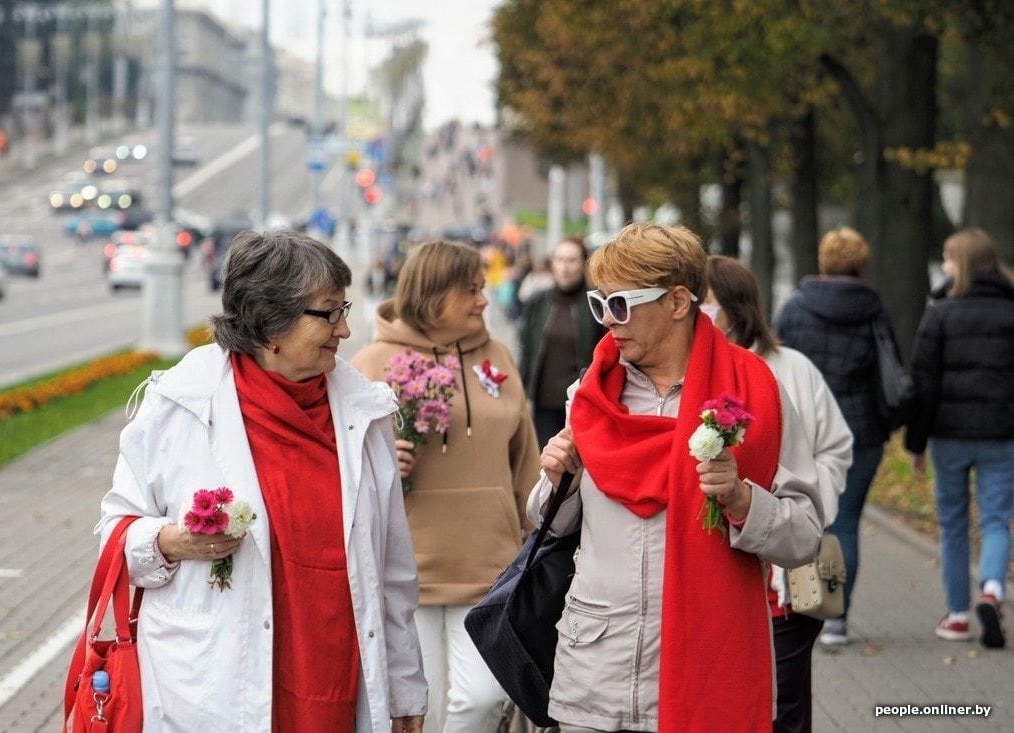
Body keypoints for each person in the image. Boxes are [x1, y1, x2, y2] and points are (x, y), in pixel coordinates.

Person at [96, 230, 427, 732]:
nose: (345, 329)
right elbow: (115, 534)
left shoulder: (364, 413)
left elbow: (393, 572)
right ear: (271, 322)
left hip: (337, 680)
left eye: (344, 308)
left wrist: (404, 692)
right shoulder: (180, 405)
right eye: (329, 312)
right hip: (214, 685)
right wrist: (171, 541)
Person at [529, 223, 822, 732]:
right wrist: (560, 482)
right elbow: (544, 523)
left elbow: (805, 536)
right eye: (601, 305)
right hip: (596, 672)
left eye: (620, 305)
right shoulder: (591, 395)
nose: (608, 322)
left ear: (678, 302)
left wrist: (741, 499)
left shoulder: (755, 393)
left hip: (708, 666)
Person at [352, 240, 541, 733]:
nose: (484, 299)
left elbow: (525, 457)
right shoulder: (371, 364)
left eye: (482, 288)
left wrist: (536, 536)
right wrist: (377, 460)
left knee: (483, 700)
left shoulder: (497, 355)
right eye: (471, 290)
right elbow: (338, 466)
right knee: (423, 712)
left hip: (491, 567)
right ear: (434, 295)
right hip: (408, 572)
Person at [705, 256, 853, 733]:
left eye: (704, 301)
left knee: (784, 705)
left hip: (786, 584)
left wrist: (809, 505)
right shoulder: (689, 372)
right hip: (718, 578)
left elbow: (836, 446)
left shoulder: (792, 369)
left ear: (733, 307)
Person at [775, 226, 902, 647]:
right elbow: (889, 367)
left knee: (804, 515)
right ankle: (836, 618)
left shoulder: (795, 308)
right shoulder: (872, 309)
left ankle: (800, 603)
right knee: (845, 523)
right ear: (860, 262)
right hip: (861, 430)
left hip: (803, 429)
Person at [906, 228, 1014, 649]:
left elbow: (922, 384)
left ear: (963, 265)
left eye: (949, 260)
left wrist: (916, 442)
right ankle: (992, 589)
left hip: (949, 436)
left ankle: (956, 616)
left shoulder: (940, 314)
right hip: (1002, 435)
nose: (945, 267)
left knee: (952, 524)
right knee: (994, 519)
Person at [519, 237, 606, 447]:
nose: (565, 267)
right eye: (559, 260)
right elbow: (527, 351)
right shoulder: (537, 302)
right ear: (552, 263)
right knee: (546, 462)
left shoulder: (596, 303)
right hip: (544, 401)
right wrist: (521, 391)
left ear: (584, 263)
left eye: (572, 260)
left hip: (582, 399)